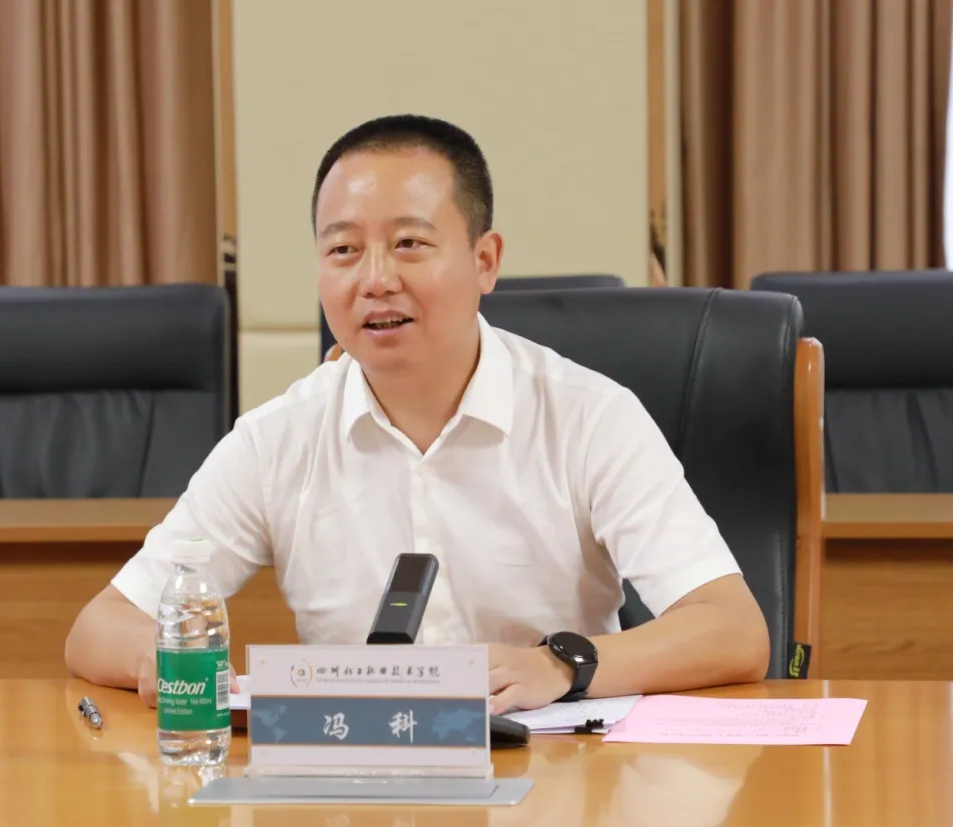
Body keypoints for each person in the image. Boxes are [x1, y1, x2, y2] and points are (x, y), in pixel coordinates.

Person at [65, 114, 770, 713]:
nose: (375, 279)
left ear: (485, 260)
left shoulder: (589, 418)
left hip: (558, 778)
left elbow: (733, 630)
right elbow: (100, 627)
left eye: (409, 244)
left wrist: (558, 666)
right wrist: (165, 658)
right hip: (354, 784)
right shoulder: (277, 440)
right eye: (344, 250)